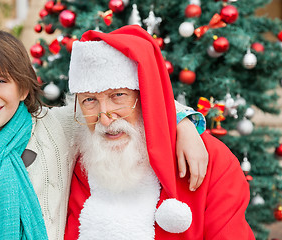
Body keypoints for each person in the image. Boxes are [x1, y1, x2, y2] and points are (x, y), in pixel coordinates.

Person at [0, 27, 207, 240]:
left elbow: (132, 107)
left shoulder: (55, 127)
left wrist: (184, 124)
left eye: (1, 80)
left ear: (23, 87)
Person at [64, 25, 255, 239]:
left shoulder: (213, 160)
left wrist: (182, 122)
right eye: (89, 100)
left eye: (118, 95)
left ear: (145, 96)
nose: (105, 117)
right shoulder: (78, 162)